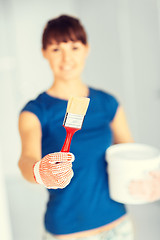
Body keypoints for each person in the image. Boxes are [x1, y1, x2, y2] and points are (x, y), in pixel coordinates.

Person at [18, 15, 135, 240]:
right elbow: (25, 161)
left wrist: (149, 177)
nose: (66, 58)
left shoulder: (108, 103)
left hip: (118, 223)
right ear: (44, 53)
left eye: (74, 47)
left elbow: (127, 154)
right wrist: (39, 171)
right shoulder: (35, 111)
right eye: (56, 49)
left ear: (86, 49)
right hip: (68, 231)